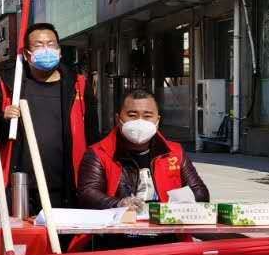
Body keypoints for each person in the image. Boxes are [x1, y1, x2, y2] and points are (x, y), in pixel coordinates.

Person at [0, 22, 92, 214]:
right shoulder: (10, 87)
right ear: (26, 54)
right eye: (39, 45)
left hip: (65, 186)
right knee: (24, 242)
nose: (46, 49)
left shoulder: (77, 86)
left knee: (63, 243)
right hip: (21, 187)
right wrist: (4, 119)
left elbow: (93, 134)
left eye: (51, 44)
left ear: (59, 50)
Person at [78, 88, 209, 211]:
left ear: (157, 120)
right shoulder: (99, 153)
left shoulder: (174, 152)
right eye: (132, 115)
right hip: (119, 230)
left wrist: (176, 205)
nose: (140, 121)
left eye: (147, 116)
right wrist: (118, 204)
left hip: (166, 229)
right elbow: (87, 193)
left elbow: (200, 192)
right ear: (118, 119)